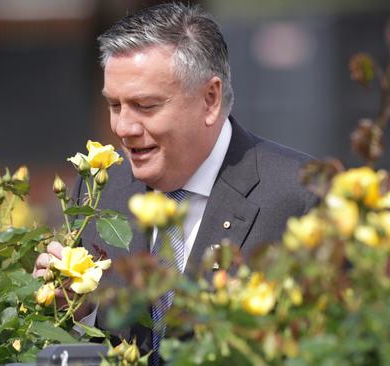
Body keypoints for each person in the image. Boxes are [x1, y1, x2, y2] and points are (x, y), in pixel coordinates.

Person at [34, 1, 317, 360]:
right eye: (115, 106)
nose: (124, 128)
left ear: (210, 99)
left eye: (146, 106)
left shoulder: (299, 197)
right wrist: (73, 310)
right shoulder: (100, 190)